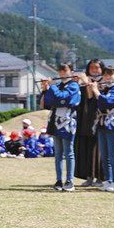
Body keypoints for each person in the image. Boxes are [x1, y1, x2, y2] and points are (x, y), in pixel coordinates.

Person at [41, 62, 81, 192]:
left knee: (69, 152)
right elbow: (49, 101)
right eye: (60, 71)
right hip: (55, 121)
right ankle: (59, 180)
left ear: (71, 72)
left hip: (68, 122)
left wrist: (52, 89)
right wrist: (46, 88)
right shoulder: (58, 85)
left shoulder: (74, 85)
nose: (62, 73)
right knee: (58, 153)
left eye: (65, 70)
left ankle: (70, 181)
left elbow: (62, 97)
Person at [90, 65, 114, 192]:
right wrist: (96, 90)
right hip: (102, 124)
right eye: (105, 74)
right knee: (104, 155)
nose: (107, 77)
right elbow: (97, 104)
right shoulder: (103, 90)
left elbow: (108, 102)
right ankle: (108, 180)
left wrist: (97, 92)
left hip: (113, 124)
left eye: (110, 74)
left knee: (113, 155)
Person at [74, 59, 105, 187]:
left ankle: (100, 178)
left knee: (98, 150)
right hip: (84, 120)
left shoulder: (104, 82)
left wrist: (87, 83)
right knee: (85, 148)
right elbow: (83, 98)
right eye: (92, 67)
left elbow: (93, 97)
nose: (94, 70)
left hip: (99, 120)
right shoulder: (85, 82)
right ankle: (88, 177)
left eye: (97, 67)